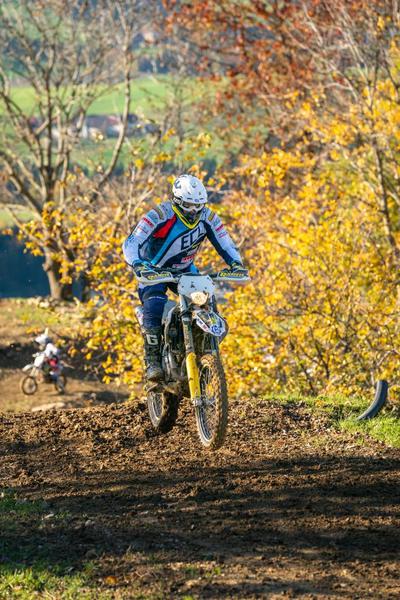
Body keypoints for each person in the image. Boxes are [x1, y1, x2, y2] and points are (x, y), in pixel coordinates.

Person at [122, 173, 248, 381]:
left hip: (185, 270)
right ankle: (153, 362)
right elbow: (132, 241)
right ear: (177, 201)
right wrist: (137, 263)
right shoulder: (160, 214)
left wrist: (236, 263)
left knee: (206, 302)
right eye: (188, 205)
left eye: (198, 206)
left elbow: (225, 242)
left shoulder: (208, 217)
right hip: (153, 270)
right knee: (154, 304)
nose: (194, 211)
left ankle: (204, 350)